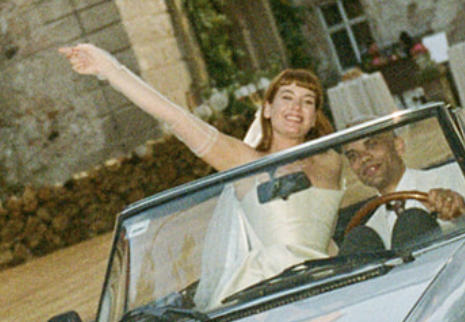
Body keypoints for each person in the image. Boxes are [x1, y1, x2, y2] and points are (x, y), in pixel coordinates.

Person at [59, 45, 343, 303]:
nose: (296, 107)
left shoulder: (330, 161)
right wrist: (109, 69)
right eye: (287, 97)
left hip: (330, 281)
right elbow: (175, 117)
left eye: (308, 101)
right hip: (269, 292)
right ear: (267, 109)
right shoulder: (245, 162)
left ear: (315, 114)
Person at [336, 128, 465, 253]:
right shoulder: (370, 233)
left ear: (398, 146)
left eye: (372, 145)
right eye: (353, 156)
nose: (364, 158)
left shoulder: (457, 175)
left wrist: (460, 216)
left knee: (412, 220)